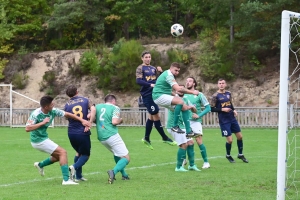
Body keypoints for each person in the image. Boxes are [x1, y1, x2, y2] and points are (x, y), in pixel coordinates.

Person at [25, 95, 91, 185]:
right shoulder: (36, 114)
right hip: (38, 141)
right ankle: (66, 180)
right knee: (62, 152)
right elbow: (27, 128)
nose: (54, 104)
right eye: (51, 104)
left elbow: (67, 114)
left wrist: (82, 120)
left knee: (58, 157)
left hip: (43, 138)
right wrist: (42, 123)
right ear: (46, 107)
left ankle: (40, 165)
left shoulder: (53, 110)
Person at [136, 51, 176, 149]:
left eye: (149, 57)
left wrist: (161, 72)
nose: (148, 59)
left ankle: (146, 138)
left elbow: (160, 80)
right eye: (146, 57)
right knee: (156, 114)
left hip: (155, 93)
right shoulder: (140, 68)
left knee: (151, 116)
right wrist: (150, 84)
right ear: (142, 58)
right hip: (147, 94)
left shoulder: (153, 68)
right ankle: (164, 137)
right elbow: (138, 81)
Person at [152, 62, 200, 138]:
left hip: (161, 95)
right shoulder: (169, 75)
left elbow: (168, 90)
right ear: (171, 68)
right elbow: (178, 89)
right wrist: (192, 92)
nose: (177, 72)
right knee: (180, 101)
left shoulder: (168, 74)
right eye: (176, 70)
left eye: (178, 71)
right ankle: (175, 126)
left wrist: (175, 96)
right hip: (158, 96)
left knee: (184, 107)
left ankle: (188, 131)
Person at [89, 94, 130, 184]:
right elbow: (114, 122)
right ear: (113, 101)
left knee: (117, 154)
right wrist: (121, 120)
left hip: (101, 136)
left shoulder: (98, 106)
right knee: (126, 158)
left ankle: (124, 175)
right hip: (111, 134)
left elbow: (89, 116)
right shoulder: (115, 108)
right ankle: (113, 172)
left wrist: (99, 122)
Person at [210, 78, 249, 163]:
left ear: (225, 84)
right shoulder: (215, 96)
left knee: (240, 136)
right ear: (217, 85)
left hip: (232, 118)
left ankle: (240, 154)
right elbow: (211, 109)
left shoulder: (228, 93)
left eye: (223, 83)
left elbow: (230, 103)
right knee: (230, 140)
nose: (221, 85)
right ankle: (228, 155)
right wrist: (222, 110)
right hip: (224, 121)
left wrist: (233, 109)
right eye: (219, 83)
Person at [64, 85, 96, 182]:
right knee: (86, 155)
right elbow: (94, 109)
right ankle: (74, 167)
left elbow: (66, 117)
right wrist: (89, 122)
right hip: (83, 131)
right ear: (77, 91)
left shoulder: (67, 104)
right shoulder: (85, 100)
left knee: (79, 153)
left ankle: (78, 176)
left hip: (71, 132)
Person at [166, 85, 201, 171]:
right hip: (174, 126)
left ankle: (192, 165)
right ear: (176, 91)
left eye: (182, 89)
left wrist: (193, 108)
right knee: (183, 145)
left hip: (182, 126)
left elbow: (194, 110)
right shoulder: (173, 99)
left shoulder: (186, 99)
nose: (181, 91)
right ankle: (178, 167)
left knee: (190, 143)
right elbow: (179, 108)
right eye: (179, 90)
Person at [184, 77, 211, 169]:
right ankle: (190, 163)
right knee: (187, 142)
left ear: (194, 83)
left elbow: (208, 108)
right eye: (186, 81)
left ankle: (206, 162)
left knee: (199, 140)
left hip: (196, 122)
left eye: (190, 81)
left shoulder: (199, 95)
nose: (187, 83)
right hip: (185, 122)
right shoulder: (183, 94)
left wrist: (199, 115)